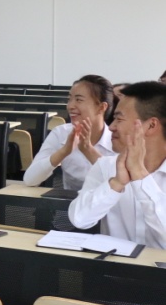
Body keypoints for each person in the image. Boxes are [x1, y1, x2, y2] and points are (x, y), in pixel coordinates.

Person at [69, 81, 166, 248]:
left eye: (119, 119)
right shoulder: (105, 166)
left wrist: (140, 176)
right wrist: (115, 184)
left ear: (151, 126)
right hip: (114, 264)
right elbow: (79, 219)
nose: (111, 127)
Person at [24, 75, 116, 192]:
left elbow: (124, 186)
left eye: (79, 100)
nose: (70, 106)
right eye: (69, 99)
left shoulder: (117, 139)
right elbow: (30, 180)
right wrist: (63, 151)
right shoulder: (61, 133)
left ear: (101, 107)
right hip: (70, 202)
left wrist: (88, 150)